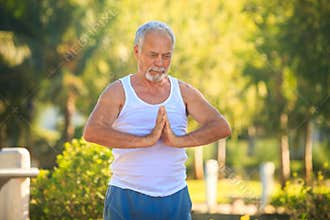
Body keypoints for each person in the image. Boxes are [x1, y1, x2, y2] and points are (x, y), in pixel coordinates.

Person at [83, 21, 231, 220]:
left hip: (174, 196)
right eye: (153, 55)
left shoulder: (183, 92)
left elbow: (221, 127)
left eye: (166, 56)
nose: (160, 63)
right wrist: (145, 140)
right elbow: (92, 131)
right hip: (127, 195)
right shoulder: (118, 91)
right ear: (137, 51)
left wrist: (178, 141)